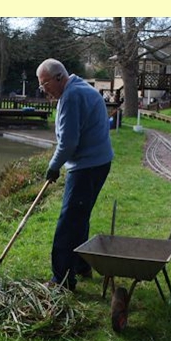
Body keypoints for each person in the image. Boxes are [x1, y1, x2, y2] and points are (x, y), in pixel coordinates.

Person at [36, 58, 114, 291]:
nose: (43, 89)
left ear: (59, 77)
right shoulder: (77, 88)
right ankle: (82, 265)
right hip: (96, 163)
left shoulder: (71, 96)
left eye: (44, 83)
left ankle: (61, 279)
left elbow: (69, 142)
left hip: (88, 166)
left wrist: (53, 166)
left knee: (69, 223)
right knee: (79, 217)